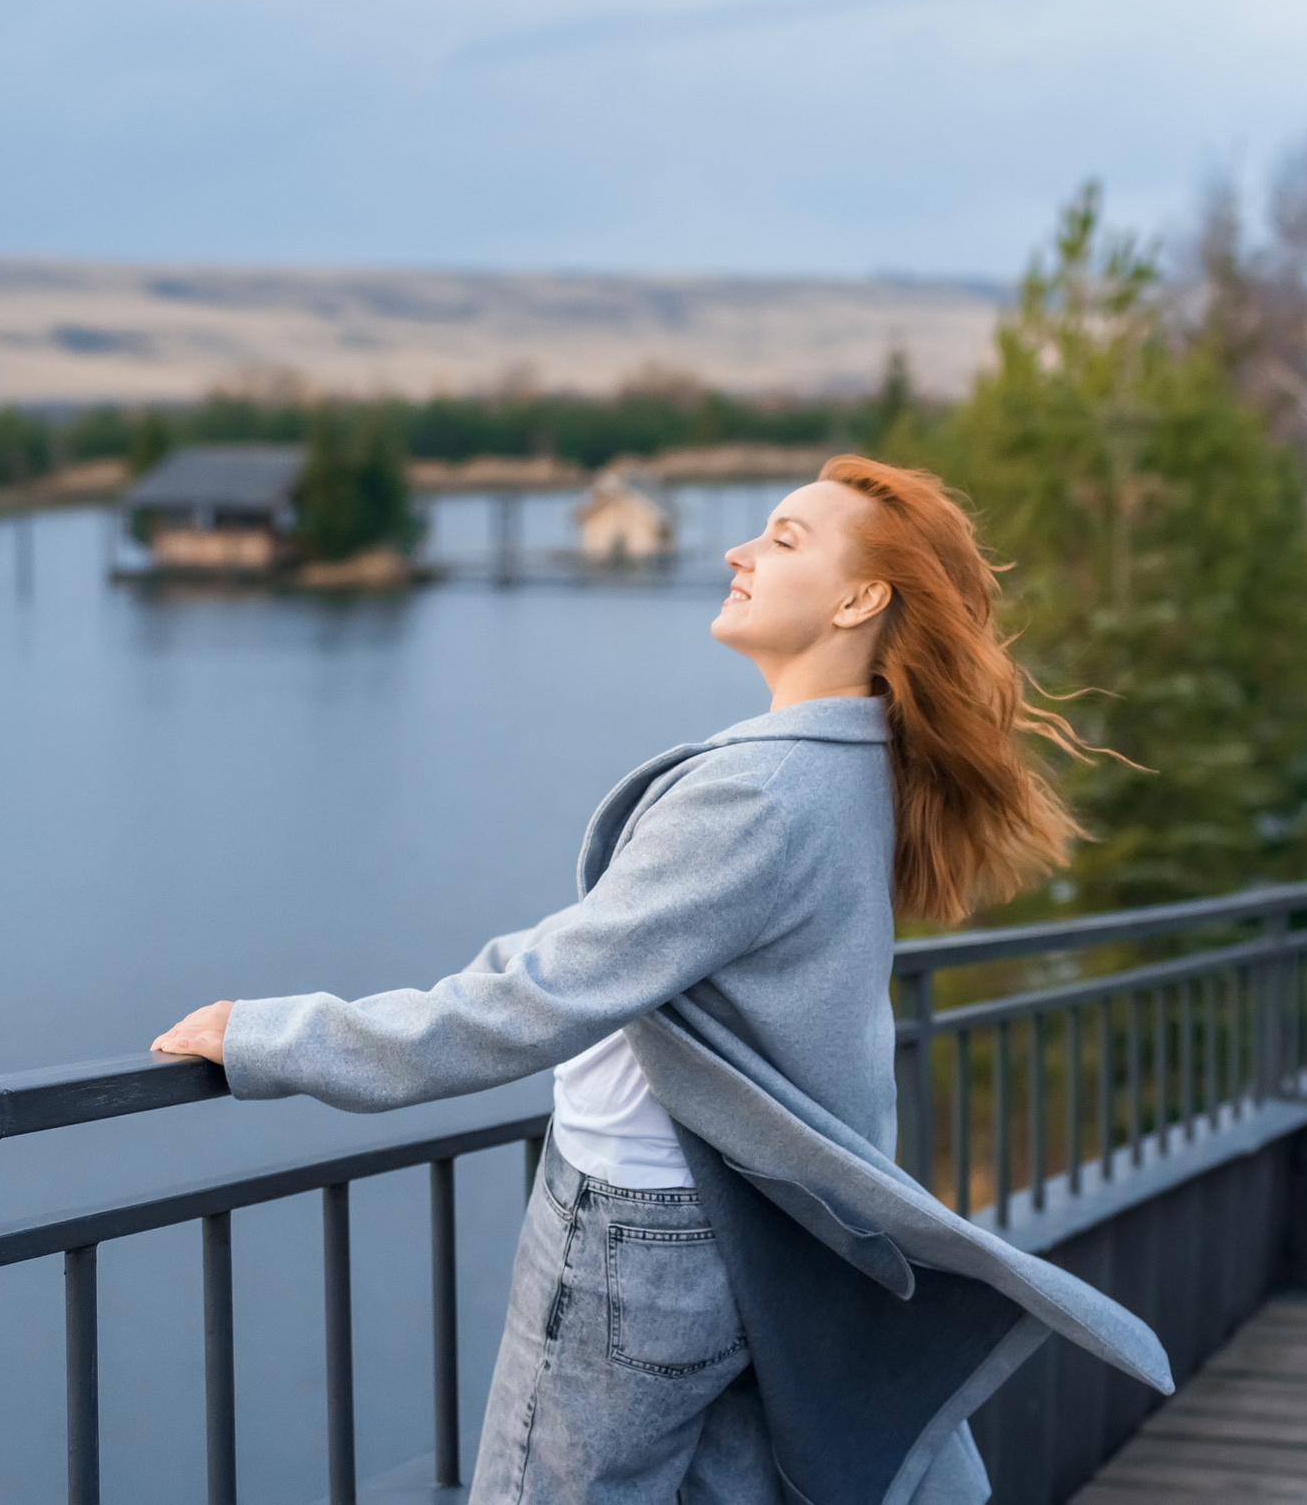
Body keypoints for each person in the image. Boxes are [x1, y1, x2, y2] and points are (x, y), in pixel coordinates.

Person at [152, 456, 1169, 1505]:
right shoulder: (850, 768)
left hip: (637, 1234)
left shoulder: (760, 793)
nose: (737, 550)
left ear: (860, 599)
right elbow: (604, 948)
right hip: (739, 1225)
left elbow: (535, 997)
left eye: (783, 538)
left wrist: (278, 1039)